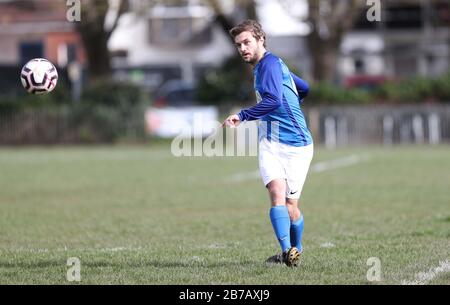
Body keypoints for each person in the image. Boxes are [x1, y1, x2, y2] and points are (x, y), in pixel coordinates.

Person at [223, 20, 313, 267]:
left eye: (247, 42)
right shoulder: (265, 67)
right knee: (276, 195)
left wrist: (242, 115)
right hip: (270, 142)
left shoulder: (271, 64)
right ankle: (287, 254)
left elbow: (273, 100)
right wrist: (294, 99)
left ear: (261, 39)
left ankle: (297, 249)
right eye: (238, 44)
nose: (242, 48)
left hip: (297, 145)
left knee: (291, 207)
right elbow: (303, 87)